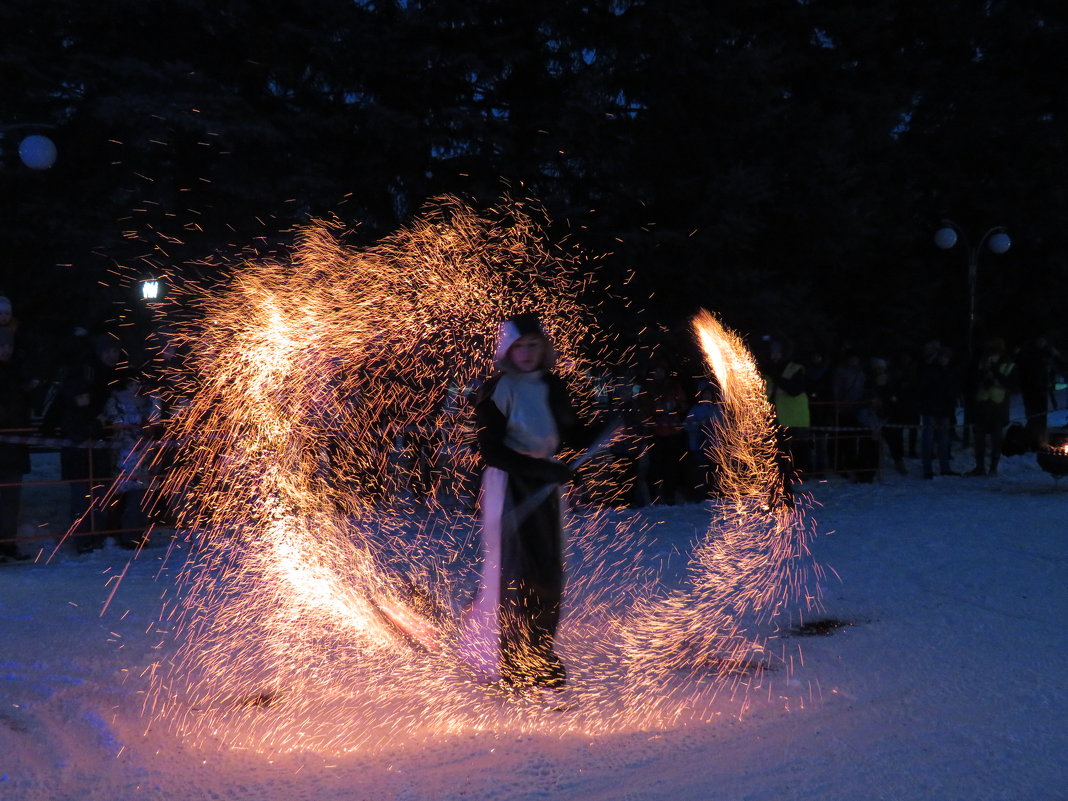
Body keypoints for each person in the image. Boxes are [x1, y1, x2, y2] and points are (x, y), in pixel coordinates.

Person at [459, 312, 596, 692]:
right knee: (515, 573)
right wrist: (541, 473)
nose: (526, 352)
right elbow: (492, 451)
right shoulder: (496, 390)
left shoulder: (552, 386)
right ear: (507, 349)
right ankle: (512, 661)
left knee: (548, 573)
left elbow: (570, 433)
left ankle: (539, 652)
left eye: (533, 344)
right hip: (510, 486)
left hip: (545, 486)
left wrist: (607, 427)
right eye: (519, 346)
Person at [0, 328, 32, 562]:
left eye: (9, 346)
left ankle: (8, 542)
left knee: (11, 499)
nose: (6, 350)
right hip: (7, 443)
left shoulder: (17, 372)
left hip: (13, 448)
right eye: (2, 346)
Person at [968, 337, 1016, 477]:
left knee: (996, 438)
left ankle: (993, 468)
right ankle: (980, 467)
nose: (991, 356)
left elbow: (1010, 384)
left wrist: (994, 372)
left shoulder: (1008, 365)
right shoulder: (981, 363)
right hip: (982, 405)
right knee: (979, 438)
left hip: (998, 406)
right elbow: (973, 381)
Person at [916, 342, 960, 479]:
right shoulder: (930, 369)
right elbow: (925, 388)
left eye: (947, 357)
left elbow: (951, 388)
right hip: (931, 408)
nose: (945, 359)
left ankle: (944, 468)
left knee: (944, 440)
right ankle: (927, 469)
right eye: (943, 357)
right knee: (928, 439)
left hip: (945, 409)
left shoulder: (949, 371)